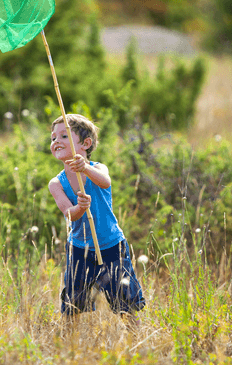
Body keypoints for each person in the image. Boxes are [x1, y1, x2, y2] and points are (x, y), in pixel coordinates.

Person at [48, 114, 145, 325]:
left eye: (63, 136)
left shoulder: (98, 168)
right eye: (53, 138)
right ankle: (69, 347)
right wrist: (80, 208)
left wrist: (85, 168)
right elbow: (69, 214)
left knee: (124, 298)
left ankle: (134, 340)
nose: (56, 142)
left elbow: (104, 181)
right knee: (73, 302)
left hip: (111, 244)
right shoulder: (56, 183)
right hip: (79, 248)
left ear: (86, 144)